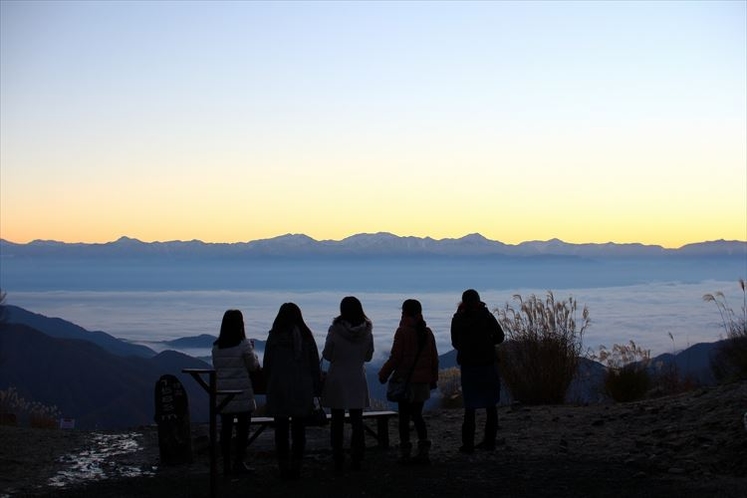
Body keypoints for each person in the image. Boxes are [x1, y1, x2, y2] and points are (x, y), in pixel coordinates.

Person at [264, 302, 322, 480]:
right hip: (302, 389)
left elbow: (267, 364)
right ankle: (296, 467)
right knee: (299, 430)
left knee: (280, 430)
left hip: (279, 388)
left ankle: (283, 467)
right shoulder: (306, 337)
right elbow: (314, 365)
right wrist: (316, 388)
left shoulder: (274, 337)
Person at [378, 299, 439, 465]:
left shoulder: (402, 331)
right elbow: (434, 359)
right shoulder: (428, 332)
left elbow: (396, 358)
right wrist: (433, 379)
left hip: (405, 382)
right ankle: (423, 452)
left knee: (404, 418)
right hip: (422, 382)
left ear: (404, 312)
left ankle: (405, 453)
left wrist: (383, 374)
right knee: (418, 416)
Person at [321, 296, 374, 471]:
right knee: (357, 420)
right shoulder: (367, 331)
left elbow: (327, 354)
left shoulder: (335, 330)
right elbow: (368, 356)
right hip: (357, 378)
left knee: (337, 420)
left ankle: (338, 456)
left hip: (337, 378)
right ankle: (357, 456)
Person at [450, 289, 505, 453]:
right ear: (479, 301)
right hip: (487, 365)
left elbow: (454, 342)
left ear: (463, 302)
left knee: (470, 407)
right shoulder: (486, 316)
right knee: (490, 405)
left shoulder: (458, 319)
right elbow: (500, 337)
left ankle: (468, 445)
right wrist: (487, 343)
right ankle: (489, 442)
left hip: (468, 367)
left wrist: (466, 348)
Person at [211, 309, 260, 475]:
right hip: (241, 393)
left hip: (223, 393)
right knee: (242, 430)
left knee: (226, 429)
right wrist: (253, 351)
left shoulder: (216, 346)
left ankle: (225, 464)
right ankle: (239, 462)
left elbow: (217, 367)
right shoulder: (243, 344)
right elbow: (253, 366)